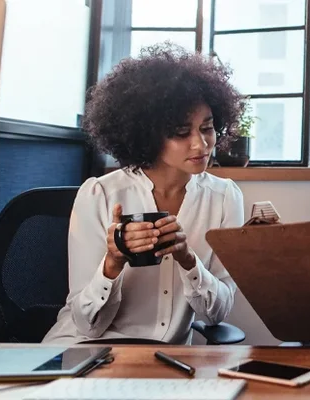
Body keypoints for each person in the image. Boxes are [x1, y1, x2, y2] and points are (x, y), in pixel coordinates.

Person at [42, 43, 244, 344]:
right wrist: (113, 262)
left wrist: (188, 260)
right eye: (181, 133)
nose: (201, 145)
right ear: (147, 133)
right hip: (85, 351)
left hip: (164, 361)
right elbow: (86, 324)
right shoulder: (100, 195)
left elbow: (217, 314)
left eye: (208, 128)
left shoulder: (225, 198)